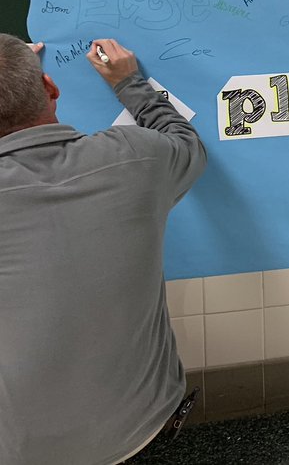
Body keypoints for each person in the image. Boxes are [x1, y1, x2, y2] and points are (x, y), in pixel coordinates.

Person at [0, 35, 207, 464]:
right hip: (143, 429)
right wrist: (130, 83)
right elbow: (186, 143)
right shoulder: (136, 157)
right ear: (52, 89)